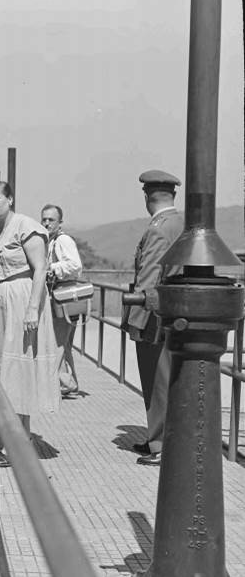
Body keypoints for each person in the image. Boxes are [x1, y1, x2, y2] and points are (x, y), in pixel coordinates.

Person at [0, 181, 59, 448]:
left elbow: (40, 268)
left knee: (20, 365)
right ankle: (5, 433)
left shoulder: (26, 226)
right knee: (0, 365)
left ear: (10, 199)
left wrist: (32, 309)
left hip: (22, 296)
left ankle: (21, 437)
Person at [121, 170, 183, 466]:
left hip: (154, 314)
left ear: (148, 197)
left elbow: (148, 277)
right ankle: (158, 437)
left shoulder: (159, 228)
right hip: (170, 310)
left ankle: (161, 444)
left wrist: (135, 318)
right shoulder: (177, 223)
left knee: (157, 380)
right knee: (163, 380)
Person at [41, 204, 83, 396]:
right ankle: (68, 382)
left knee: (57, 341)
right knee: (62, 342)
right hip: (58, 297)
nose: (47, 223)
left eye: (51, 220)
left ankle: (60, 382)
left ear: (60, 223)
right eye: (44, 219)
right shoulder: (51, 241)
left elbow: (75, 265)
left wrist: (52, 268)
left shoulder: (63, 240)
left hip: (63, 297)